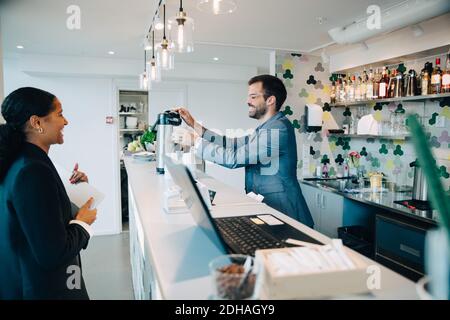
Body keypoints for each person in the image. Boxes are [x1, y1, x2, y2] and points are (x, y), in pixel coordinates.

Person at [174, 75, 314, 228]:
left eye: (253, 97)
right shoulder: (264, 129)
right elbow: (231, 144)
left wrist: (195, 142)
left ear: (270, 100)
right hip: (269, 209)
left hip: (286, 212)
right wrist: (194, 124)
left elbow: (233, 159)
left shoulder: (278, 129)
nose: (248, 101)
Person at [0, 87, 97, 300]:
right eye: (60, 114)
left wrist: (72, 193)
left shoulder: (22, 161)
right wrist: (84, 224)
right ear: (37, 123)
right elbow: (52, 254)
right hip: (46, 288)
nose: (66, 122)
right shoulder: (32, 171)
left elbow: (38, 221)